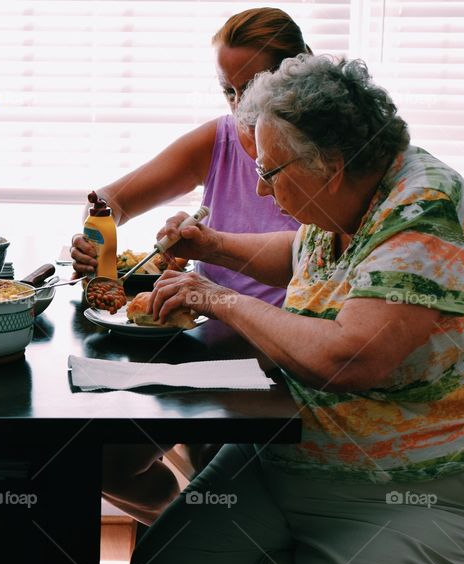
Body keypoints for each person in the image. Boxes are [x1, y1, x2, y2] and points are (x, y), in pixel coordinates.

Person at [130, 55, 464, 564]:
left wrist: (220, 300)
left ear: (330, 166)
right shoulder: (348, 191)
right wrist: (210, 244)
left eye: (268, 173)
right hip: (287, 457)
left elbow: (350, 357)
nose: (261, 187)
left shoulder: (424, 211)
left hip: (407, 490)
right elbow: (299, 255)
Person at [73, 7, 310, 524]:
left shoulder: (316, 155)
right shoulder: (222, 137)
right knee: (100, 461)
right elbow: (112, 197)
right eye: (228, 90)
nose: (239, 105)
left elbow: (312, 261)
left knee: (210, 476)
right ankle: (184, 539)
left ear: (297, 75)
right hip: (197, 333)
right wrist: (99, 234)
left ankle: (197, 552)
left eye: (252, 89)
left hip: (270, 352)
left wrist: (207, 245)